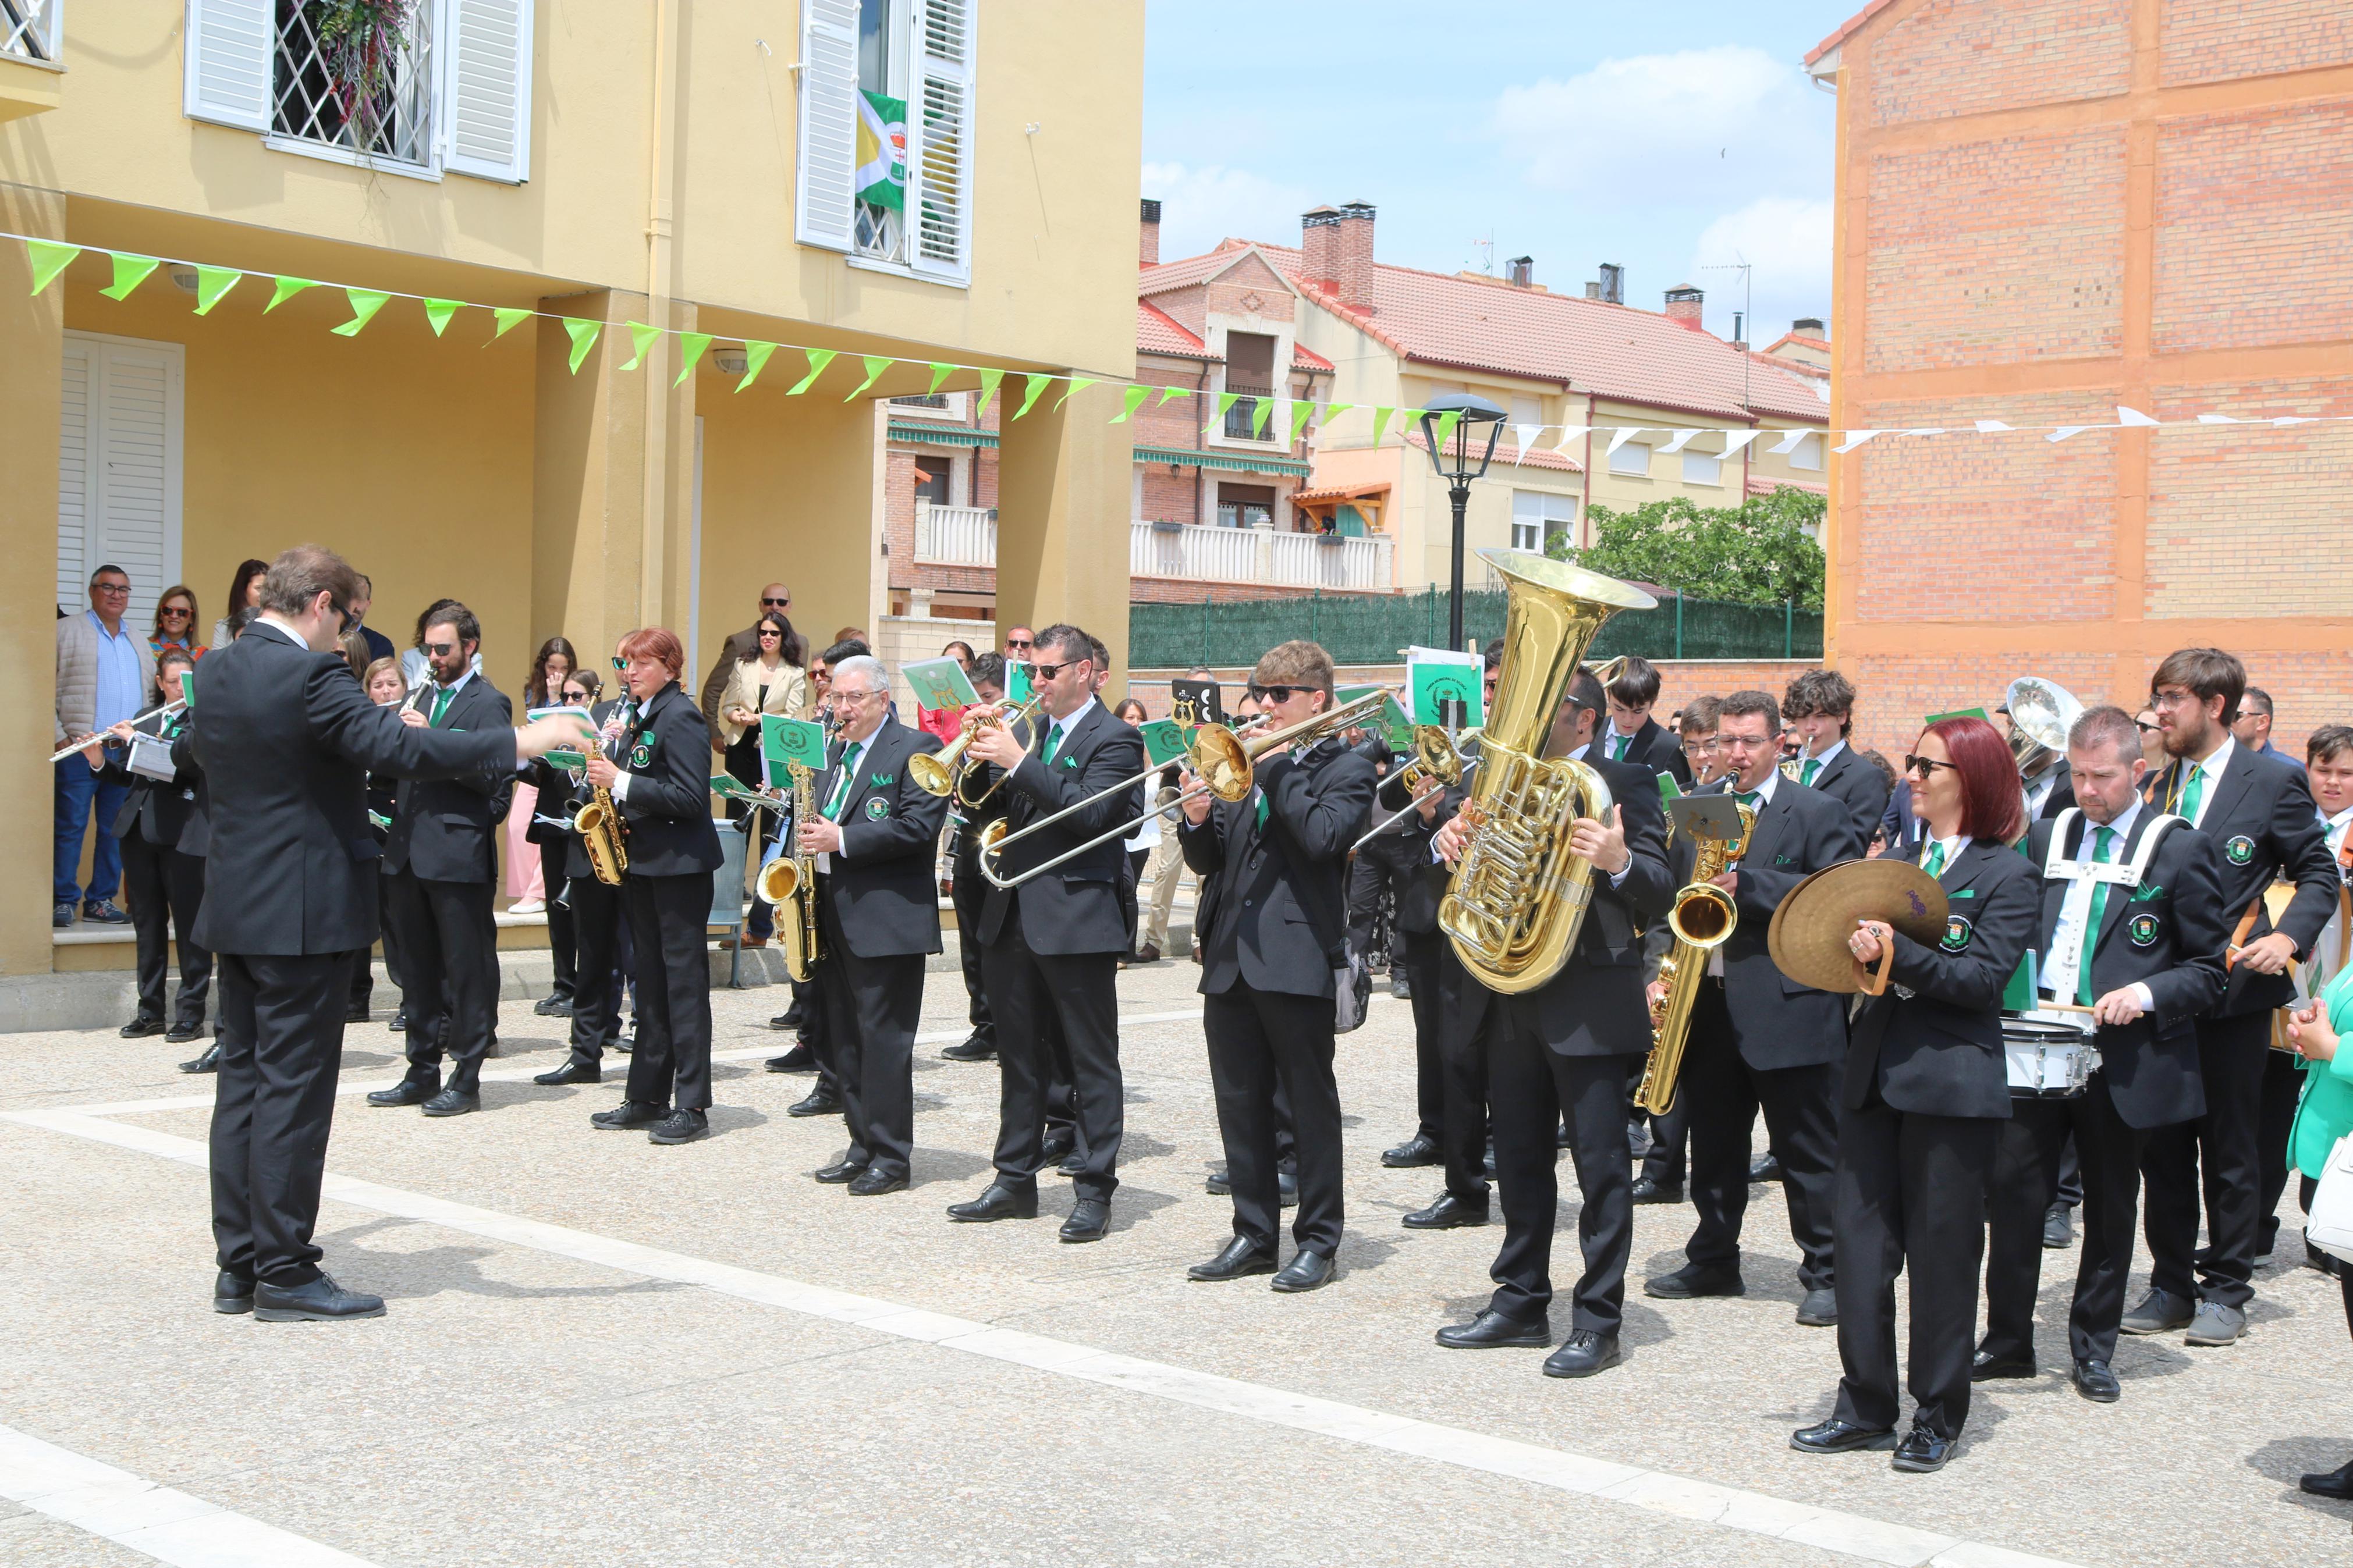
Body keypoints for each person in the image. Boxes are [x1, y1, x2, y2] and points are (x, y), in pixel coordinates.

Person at [191, 544, 585, 1322]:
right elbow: (400, 748)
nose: (347, 637)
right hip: (301, 912)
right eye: (348, 618)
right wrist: (524, 741)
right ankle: (285, 1268)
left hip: (238, 905)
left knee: (243, 1079)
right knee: (294, 1093)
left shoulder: (219, 668)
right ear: (323, 606)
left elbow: (209, 759)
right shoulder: (310, 673)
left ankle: (238, 1262)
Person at [1792, 714, 2036, 1473]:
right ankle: (1863, 1403)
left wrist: (1898, 956)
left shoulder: (2007, 874)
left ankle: (1935, 1412)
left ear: (1973, 776)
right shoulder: (1895, 858)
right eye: (1909, 762)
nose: (1912, 777)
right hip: (1871, 1081)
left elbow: (1978, 982)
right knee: (1859, 1255)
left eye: (1927, 765)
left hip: (1948, 1089)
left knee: (1940, 1259)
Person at [1430, 667, 1676, 1379]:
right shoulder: (1500, 780)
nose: (1528, 717)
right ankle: (1520, 1298)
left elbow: (1660, 888)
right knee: (1519, 1157)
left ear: (1584, 720)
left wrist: (1619, 858)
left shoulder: (1622, 782)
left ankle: (1597, 1320)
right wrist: (1450, 843)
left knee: (1600, 1170)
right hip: (1512, 991)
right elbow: (1471, 879)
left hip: (1589, 1004)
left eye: (1546, 705)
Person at [1976, 706, 2227, 1405]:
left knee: (2111, 1208)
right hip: (2038, 1048)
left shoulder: (2176, 846)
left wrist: (2145, 992)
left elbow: (2209, 969)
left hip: (2121, 1056)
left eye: (2103, 777)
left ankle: (2092, 1348)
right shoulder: (2046, 833)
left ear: (2136, 772)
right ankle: (2006, 1341)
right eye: (2079, 775)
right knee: (2016, 1199)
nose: (2087, 791)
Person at [2126, 649, 2337, 1346]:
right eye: (2157, 698)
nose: (2158, 712)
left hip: (2234, 996)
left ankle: (2226, 1286)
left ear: (2213, 706)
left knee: (2229, 1146)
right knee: (2160, 1144)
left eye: (2170, 699)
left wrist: (2290, 940)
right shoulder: (2153, 786)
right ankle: (2169, 1284)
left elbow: (2314, 871)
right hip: (2160, 997)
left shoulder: (2272, 780)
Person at [1644, 689, 1864, 1328]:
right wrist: (1656, 973)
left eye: (1747, 742)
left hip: (1789, 1002)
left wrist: (1751, 885)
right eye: (1723, 742)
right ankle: (1713, 1255)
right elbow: (1672, 894)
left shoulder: (1816, 809)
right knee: (1713, 1143)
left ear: (1778, 745)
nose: (1733, 754)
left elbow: (1838, 893)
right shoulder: (1699, 807)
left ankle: (1826, 1271)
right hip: (1706, 1002)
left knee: (1808, 1147)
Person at [1179, 643, 1376, 1292]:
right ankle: (1253, 1232)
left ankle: (1318, 1239)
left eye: (1280, 693)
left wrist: (1275, 765)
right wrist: (1196, 819)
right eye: (1260, 692)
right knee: (1238, 1104)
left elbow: (1322, 839)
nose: (1264, 705)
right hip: (1231, 955)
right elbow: (1213, 862)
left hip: (1294, 959)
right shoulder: (1244, 766)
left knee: (1308, 1107)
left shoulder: (1346, 766)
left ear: (1316, 698)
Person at [947, 624, 1144, 1242]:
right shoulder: (1030, 733)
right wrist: (980, 760)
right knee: (1019, 1057)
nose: (1036, 683)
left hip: (1076, 920)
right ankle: (1013, 1178)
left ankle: (1092, 1187)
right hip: (1012, 913)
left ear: (1084, 672)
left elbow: (1090, 814)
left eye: (1048, 672)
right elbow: (986, 809)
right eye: (1032, 673)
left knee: (1089, 1061)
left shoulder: (1116, 737)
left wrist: (1017, 759)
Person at [801, 654, 949, 1194]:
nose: (842, 709)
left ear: (883, 700)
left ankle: (891, 1155)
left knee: (884, 1042)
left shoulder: (917, 748)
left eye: (854, 698)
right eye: (837, 698)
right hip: (835, 912)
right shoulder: (835, 750)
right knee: (844, 1039)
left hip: (887, 920)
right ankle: (861, 1142)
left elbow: (917, 828)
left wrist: (841, 839)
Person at [365, 603, 513, 1121]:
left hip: (456, 855)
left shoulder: (488, 701)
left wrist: (430, 739)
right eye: (428, 648)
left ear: (470, 646)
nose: (434, 657)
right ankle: (420, 1070)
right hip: (407, 851)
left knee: (464, 969)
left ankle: (467, 1076)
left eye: (443, 648)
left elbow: (493, 778)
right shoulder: (421, 691)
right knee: (417, 970)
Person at [586, 629, 726, 1144]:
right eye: (626, 662)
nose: (631, 671)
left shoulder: (682, 715)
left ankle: (692, 1104)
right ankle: (646, 1094)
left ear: (670, 666)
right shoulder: (640, 713)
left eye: (643, 662)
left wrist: (619, 781)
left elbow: (690, 796)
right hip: (643, 865)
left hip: (680, 869)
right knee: (648, 985)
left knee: (684, 988)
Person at [1383, 645, 1498, 1194]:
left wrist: (1445, 812)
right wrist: (1426, 801)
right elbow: (1386, 794)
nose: (1492, 697)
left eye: (1497, 687)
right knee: (1430, 1031)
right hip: (1430, 906)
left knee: (1479, 1037)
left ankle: (1486, 1138)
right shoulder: (1443, 741)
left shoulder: (1505, 754)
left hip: (1485, 913)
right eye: (1489, 687)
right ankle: (1434, 1130)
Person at [1632, 695, 1730, 1204]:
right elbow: (1664, 899)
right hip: (1681, 954)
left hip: (1729, 969)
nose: (1701, 757)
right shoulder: (1688, 807)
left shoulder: (1735, 806)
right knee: (1664, 1061)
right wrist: (1654, 969)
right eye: (1691, 748)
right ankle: (1662, 1167)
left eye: (1710, 745)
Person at [90, 647, 211, 1046]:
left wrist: (137, 740)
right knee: (148, 924)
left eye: (186, 681)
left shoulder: (203, 722)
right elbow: (130, 774)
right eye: (173, 681)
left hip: (180, 835)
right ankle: (150, 1011)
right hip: (138, 832)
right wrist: (97, 760)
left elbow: (180, 770)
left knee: (191, 925)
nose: (179, 688)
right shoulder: (151, 714)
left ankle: (191, 1014)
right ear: (161, 683)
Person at [535, 659, 634, 1088]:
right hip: (591, 848)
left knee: (639, 960)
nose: (626, 671)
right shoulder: (597, 714)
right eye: (620, 663)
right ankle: (584, 1053)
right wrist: (573, 765)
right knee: (590, 957)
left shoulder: (657, 718)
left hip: (635, 850)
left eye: (633, 662)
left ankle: (651, 1051)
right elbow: (562, 782)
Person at [55, 563, 155, 930]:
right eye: (108, 588)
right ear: (92, 591)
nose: (116, 595)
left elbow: (148, 697)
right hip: (81, 748)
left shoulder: (138, 640)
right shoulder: (66, 631)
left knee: (116, 829)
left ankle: (100, 900)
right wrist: (58, 734)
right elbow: (44, 684)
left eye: (123, 590)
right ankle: (63, 901)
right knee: (70, 826)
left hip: (124, 751)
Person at [716, 612, 813, 949]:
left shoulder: (795, 672)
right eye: (762, 633)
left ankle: (760, 921)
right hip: (741, 748)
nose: (767, 638)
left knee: (771, 833)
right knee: (736, 825)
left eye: (773, 633)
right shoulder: (744, 665)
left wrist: (761, 718)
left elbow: (796, 713)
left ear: (783, 637)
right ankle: (728, 909)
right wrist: (736, 715)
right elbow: (727, 703)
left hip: (773, 752)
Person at [939, 652, 1012, 1064]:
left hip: (1005, 846)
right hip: (971, 843)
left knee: (1001, 943)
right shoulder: (974, 737)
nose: (981, 706)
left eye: (989, 696)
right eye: (976, 698)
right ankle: (984, 1025)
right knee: (972, 940)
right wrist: (965, 755)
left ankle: (1009, 1027)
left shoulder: (1017, 734)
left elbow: (1000, 795)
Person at [526, 665, 601, 1023]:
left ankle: (584, 987)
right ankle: (563, 983)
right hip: (553, 825)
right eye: (566, 697)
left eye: (577, 698)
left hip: (584, 829)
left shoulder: (597, 736)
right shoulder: (555, 736)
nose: (570, 702)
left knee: (582, 913)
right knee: (556, 909)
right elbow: (531, 775)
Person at [1138, 666, 1218, 965]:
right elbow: (1164, 764)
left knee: (1204, 876)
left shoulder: (1218, 725)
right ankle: (1153, 941)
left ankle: (1200, 940)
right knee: (1167, 871)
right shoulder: (1175, 722)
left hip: (1210, 803)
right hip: (1178, 802)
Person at [349, 657, 409, 1027]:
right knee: (356, 916)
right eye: (378, 686)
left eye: (392, 685)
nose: (385, 692)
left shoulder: (411, 725)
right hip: (362, 833)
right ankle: (355, 999)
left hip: (397, 834)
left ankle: (409, 999)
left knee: (397, 921)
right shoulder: (359, 727)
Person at [505, 638, 578, 918]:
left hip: (559, 770)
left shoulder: (572, 692)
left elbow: (563, 725)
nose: (556, 673)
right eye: (551, 667)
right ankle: (528, 889)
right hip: (536, 766)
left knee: (549, 825)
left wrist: (559, 696)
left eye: (563, 667)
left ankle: (538, 892)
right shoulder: (532, 690)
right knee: (517, 825)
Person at [1784, 670, 1890, 850]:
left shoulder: (1867, 777)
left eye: (1820, 716)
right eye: (1802, 717)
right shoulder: (1780, 769)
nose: (1810, 727)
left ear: (1842, 716)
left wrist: (1803, 797)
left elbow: (1851, 849)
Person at [699, 584, 804, 744]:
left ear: (790, 606)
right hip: (741, 741)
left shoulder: (801, 644)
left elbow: (796, 708)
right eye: (769, 601)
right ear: (761, 605)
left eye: (781, 602)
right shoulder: (740, 643)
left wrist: (759, 719)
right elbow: (714, 690)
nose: (775, 607)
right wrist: (714, 732)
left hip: (778, 742)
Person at [1598, 656, 1694, 785]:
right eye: (1619, 709)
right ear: (1608, 696)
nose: (1627, 719)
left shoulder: (1669, 748)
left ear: (1653, 702)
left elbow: (1676, 800)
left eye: (1638, 711)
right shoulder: (1588, 733)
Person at [2231, 685, 2299, 770]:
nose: (2227, 721)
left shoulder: (2287, 771)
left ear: (2262, 722)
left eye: (2235, 716)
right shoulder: (2218, 765)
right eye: (2225, 715)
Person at [208, 558, 267, 652]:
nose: (265, 594)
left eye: (268, 588)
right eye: (259, 588)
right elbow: (219, 663)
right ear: (243, 590)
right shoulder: (224, 628)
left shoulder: (278, 625)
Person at [346, 574, 395, 664]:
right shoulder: (324, 639)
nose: (355, 606)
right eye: (350, 599)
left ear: (368, 604)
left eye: (360, 599)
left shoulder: (382, 646)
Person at [150, 586, 204, 660]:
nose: (174, 616)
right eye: (168, 610)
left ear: (192, 618)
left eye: (182, 612)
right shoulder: (144, 647)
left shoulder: (202, 654)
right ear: (160, 615)